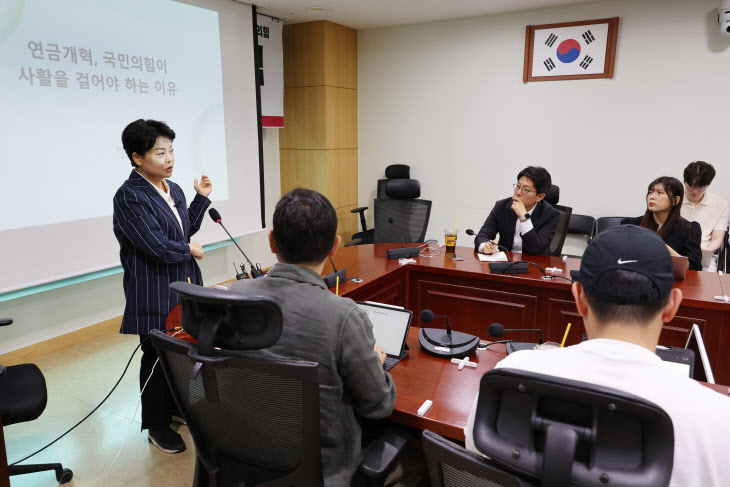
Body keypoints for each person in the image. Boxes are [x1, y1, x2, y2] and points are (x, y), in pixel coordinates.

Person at [464, 224, 730, 486]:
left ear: (578, 298)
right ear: (672, 306)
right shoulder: (719, 419)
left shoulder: (510, 375)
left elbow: (475, 461)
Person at [230, 188, 399, 486]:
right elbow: (379, 406)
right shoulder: (343, 315)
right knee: (411, 464)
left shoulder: (237, 295)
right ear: (335, 247)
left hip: (249, 457)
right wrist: (375, 362)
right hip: (325, 472)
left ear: (271, 241)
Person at [113, 119, 212, 454]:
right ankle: (156, 425)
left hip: (182, 284)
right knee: (155, 355)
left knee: (181, 351)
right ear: (137, 157)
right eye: (160, 152)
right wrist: (187, 250)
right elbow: (154, 245)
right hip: (153, 288)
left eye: (171, 150)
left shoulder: (175, 188)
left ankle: (174, 409)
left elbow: (185, 231)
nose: (169, 158)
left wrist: (200, 199)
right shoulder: (130, 196)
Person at [474, 166, 560, 256]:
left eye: (526, 190)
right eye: (518, 186)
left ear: (540, 197)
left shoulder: (550, 215)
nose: (518, 192)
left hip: (534, 264)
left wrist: (524, 217)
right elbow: (482, 236)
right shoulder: (502, 206)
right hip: (505, 263)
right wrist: (484, 246)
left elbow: (536, 249)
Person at [621, 176, 702, 271]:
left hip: (672, 281)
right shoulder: (632, 225)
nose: (652, 197)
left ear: (676, 200)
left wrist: (663, 247)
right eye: (650, 192)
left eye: (660, 193)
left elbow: (694, 267)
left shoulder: (689, 229)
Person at [680, 161, 728, 271]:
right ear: (684, 182)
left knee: (707, 280)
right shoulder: (673, 200)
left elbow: (717, 239)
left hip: (703, 254)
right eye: (691, 186)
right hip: (675, 251)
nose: (695, 191)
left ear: (708, 185)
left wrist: (701, 254)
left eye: (701, 187)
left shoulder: (720, 204)